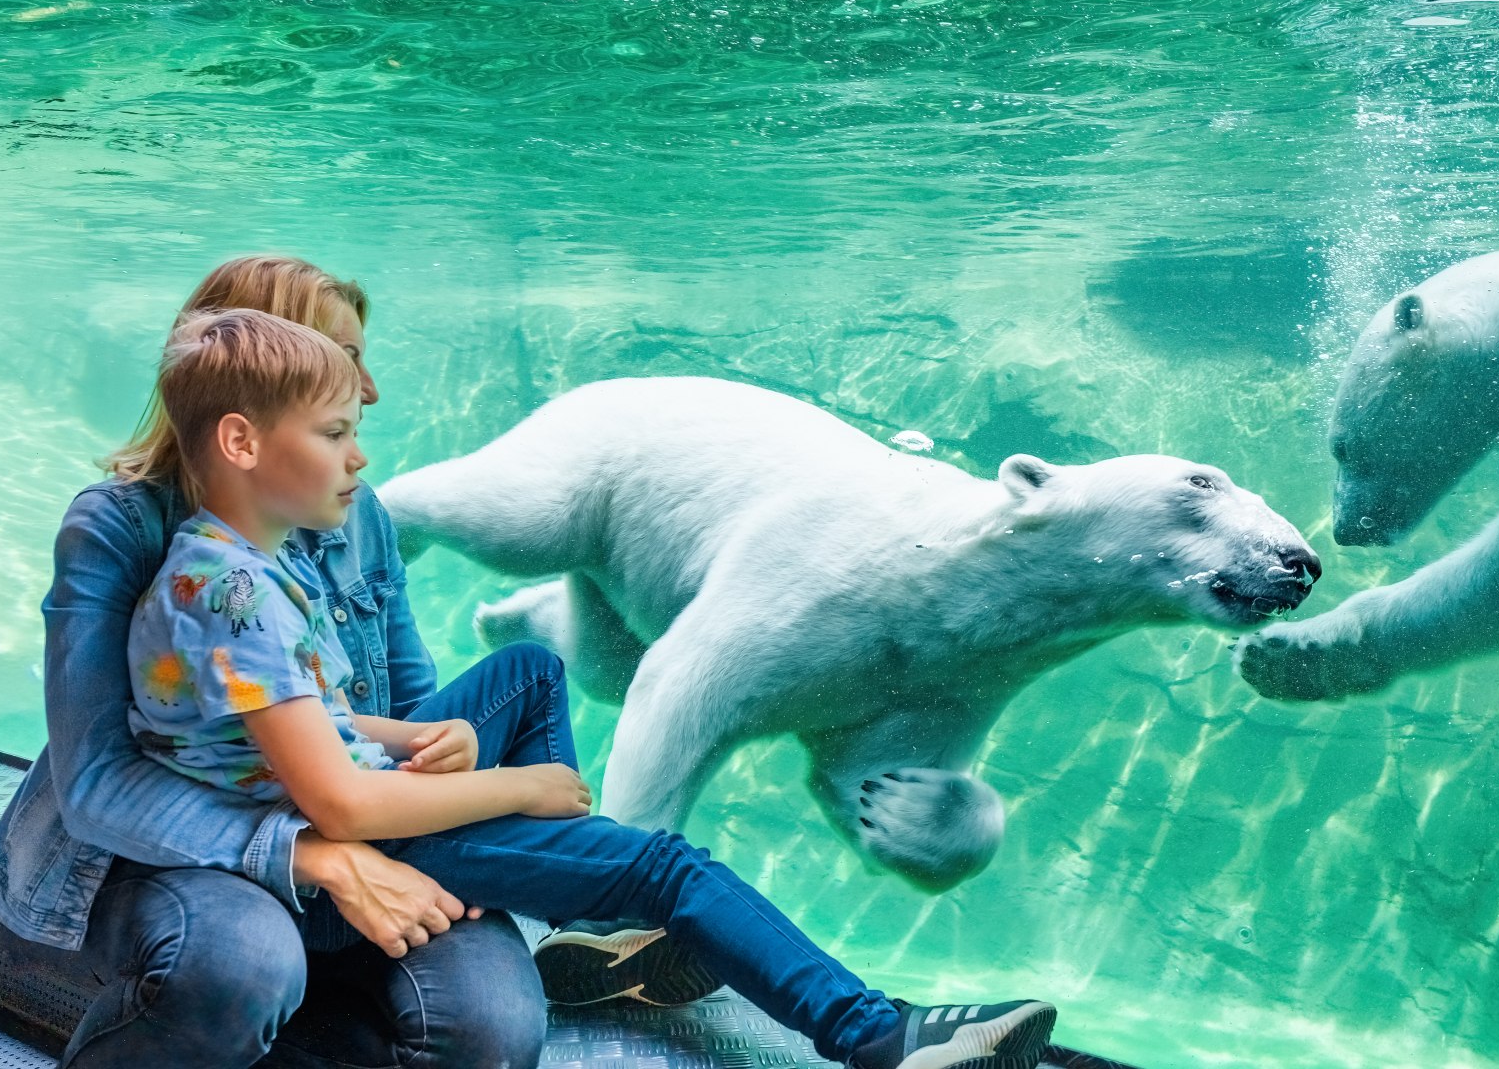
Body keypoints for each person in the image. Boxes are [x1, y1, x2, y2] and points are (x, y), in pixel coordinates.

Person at [123, 305, 1061, 1069]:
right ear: (242, 442)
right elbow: (337, 799)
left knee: (531, 671)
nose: (360, 457)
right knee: (663, 866)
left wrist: (404, 737)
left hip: (335, 791)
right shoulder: (238, 593)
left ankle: (588, 924)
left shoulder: (241, 564)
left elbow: (278, 713)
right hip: (326, 846)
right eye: (335, 435)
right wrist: (520, 790)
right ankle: (876, 1035)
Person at [0, 257, 547, 1068]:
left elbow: (408, 717)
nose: (368, 389)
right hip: (172, 857)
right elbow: (97, 784)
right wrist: (312, 855)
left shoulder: (357, 510)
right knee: (241, 965)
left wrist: (455, 776)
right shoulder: (119, 527)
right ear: (247, 400)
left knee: (496, 1027)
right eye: (346, 357)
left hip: (347, 820)